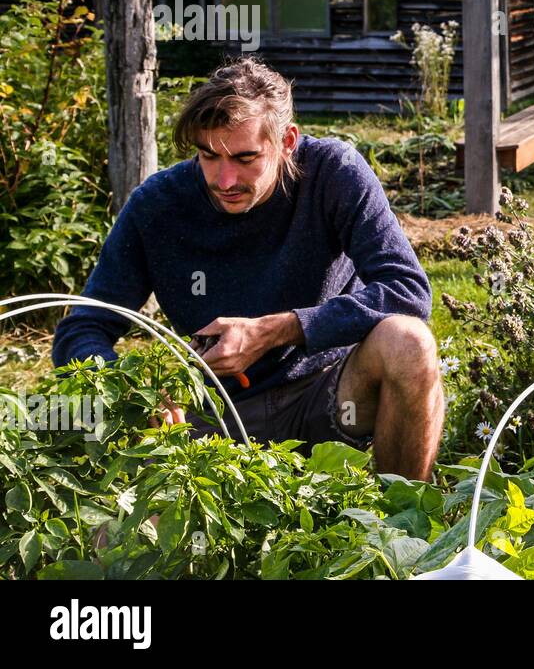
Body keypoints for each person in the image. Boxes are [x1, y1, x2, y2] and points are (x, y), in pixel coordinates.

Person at [52, 58, 443, 480]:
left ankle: (401, 526)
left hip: (327, 396)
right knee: (120, 538)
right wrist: (137, 394)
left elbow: (407, 290)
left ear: (287, 141)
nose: (224, 180)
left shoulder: (332, 173)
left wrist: (274, 330)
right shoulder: (159, 205)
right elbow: (83, 328)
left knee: (409, 343)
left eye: (245, 158)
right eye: (208, 156)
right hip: (210, 415)